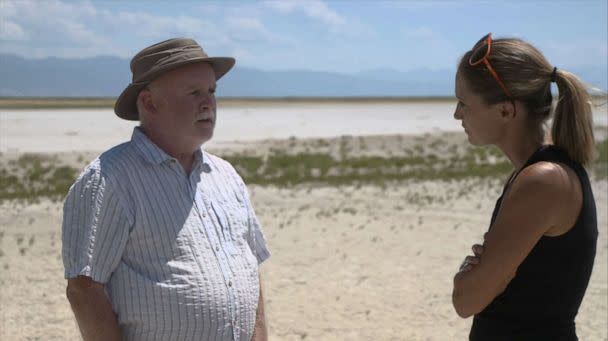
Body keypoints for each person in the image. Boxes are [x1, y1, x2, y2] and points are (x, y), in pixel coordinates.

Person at [62, 38, 271, 341]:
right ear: (149, 103)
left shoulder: (225, 175)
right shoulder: (108, 179)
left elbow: (249, 267)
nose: (208, 103)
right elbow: (84, 288)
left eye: (211, 91)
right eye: (193, 92)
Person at [451, 33, 598, 340]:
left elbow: (466, 301)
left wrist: (471, 272)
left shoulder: (543, 179)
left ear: (505, 111)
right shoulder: (537, 172)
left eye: (464, 103)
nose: (457, 114)